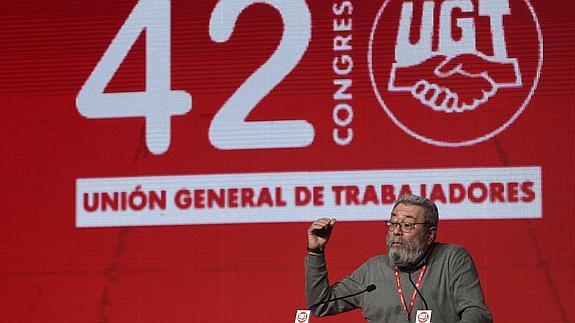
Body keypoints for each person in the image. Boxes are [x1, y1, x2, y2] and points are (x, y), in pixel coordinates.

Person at [305, 194, 493, 323]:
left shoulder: (452, 259)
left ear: (430, 234)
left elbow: (477, 313)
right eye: (393, 223)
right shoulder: (373, 269)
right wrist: (316, 252)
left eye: (408, 225)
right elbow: (320, 306)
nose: (396, 231)